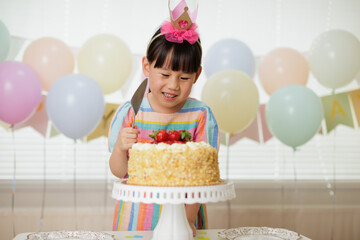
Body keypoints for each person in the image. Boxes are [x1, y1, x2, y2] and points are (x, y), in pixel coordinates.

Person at [108, 7, 219, 236]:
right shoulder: (131, 112)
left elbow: (201, 174)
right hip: (136, 218)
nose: (173, 86)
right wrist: (120, 147)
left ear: (197, 75)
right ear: (147, 67)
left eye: (184, 77)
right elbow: (120, 172)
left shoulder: (200, 115)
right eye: (165, 75)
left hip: (185, 216)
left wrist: (187, 222)